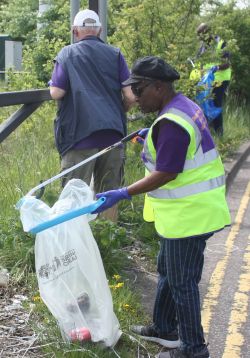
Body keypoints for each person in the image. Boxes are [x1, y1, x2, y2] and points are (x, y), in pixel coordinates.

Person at [93, 56, 231, 358]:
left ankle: (194, 349)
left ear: (158, 87)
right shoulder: (182, 106)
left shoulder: (171, 124)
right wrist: (152, 135)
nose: (134, 98)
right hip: (191, 212)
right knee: (168, 269)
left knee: (182, 282)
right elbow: (178, 147)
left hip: (190, 216)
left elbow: (167, 172)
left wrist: (123, 192)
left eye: (138, 90)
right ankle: (164, 327)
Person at [49, 9, 135, 221]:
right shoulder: (115, 54)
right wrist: (117, 111)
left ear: (75, 31)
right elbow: (131, 96)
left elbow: (56, 92)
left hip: (79, 137)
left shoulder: (67, 53)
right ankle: (108, 244)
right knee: (109, 193)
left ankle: (74, 246)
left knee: (72, 196)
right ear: (100, 31)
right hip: (113, 136)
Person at [196, 23, 232, 136]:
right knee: (204, 104)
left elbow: (227, 63)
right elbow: (200, 62)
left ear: (208, 33)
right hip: (207, 80)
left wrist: (216, 67)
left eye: (202, 35)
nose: (201, 38)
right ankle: (208, 134)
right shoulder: (203, 46)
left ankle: (219, 133)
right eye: (200, 36)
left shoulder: (221, 43)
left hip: (221, 80)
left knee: (215, 104)